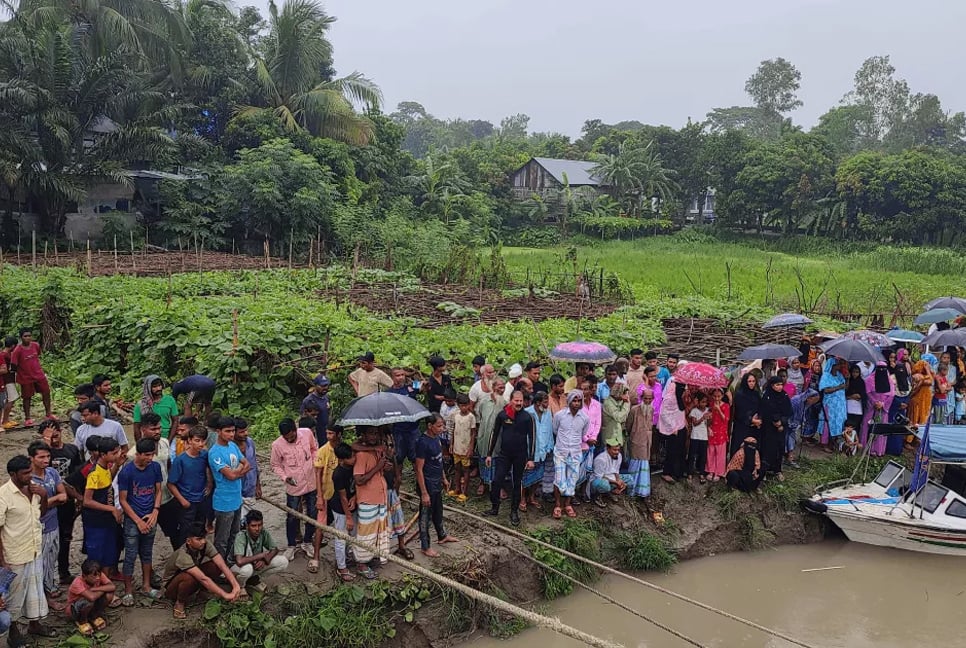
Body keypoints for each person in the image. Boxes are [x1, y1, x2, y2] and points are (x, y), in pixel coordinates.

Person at [0, 455, 54, 644]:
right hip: (14, 554)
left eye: (30, 471)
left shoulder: (34, 489)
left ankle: (35, 625)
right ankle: (13, 633)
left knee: (35, 591)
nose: (29, 475)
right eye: (25, 473)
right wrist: (3, 561)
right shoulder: (3, 495)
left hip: (34, 549)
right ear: (13, 474)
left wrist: (44, 494)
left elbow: (41, 514)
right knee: (14, 597)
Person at [117, 438, 163, 605]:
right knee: (130, 555)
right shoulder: (126, 472)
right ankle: (128, 591)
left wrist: (155, 511)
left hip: (150, 516)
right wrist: (138, 521)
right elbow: (123, 500)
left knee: (147, 553)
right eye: (147, 455)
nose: (150, 458)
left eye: (152, 455)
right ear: (138, 454)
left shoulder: (155, 468)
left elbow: (158, 491)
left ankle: (146, 586)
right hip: (132, 520)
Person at [163, 523, 241, 620]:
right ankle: (179, 602)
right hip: (172, 586)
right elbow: (203, 579)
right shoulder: (183, 555)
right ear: (188, 541)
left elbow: (222, 564)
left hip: (194, 575)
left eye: (204, 538)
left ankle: (203, 592)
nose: (203, 541)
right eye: (198, 539)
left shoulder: (205, 544)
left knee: (215, 566)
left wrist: (235, 585)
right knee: (188, 578)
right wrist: (225, 595)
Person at [270, 418, 318, 569]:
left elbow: (314, 449)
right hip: (293, 486)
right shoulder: (277, 445)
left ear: (295, 430)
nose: (289, 439)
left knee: (312, 513)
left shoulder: (307, 433)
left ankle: (307, 541)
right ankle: (291, 545)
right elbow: (275, 465)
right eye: (286, 438)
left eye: (292, 436)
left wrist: (314, 463)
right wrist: (285, 477)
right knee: (292, 516)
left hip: (311, 482)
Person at [484, 390, 535, 527]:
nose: (518, 403)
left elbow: (532, 437)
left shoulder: (527, 417)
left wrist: (531, 458)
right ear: (511, 400)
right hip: (504, 454)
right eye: (516, 400)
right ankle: (495, 507)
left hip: (520, 455)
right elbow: (494, 434)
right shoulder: (503, 415)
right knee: (496, 480)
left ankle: (514, 512)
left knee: (517, 483)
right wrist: (489, 454)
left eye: (521, 401)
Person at [26, 441, 67, 612]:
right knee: (39, 564)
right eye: (41, 457)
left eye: (48, 456)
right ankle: (44, 598)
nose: (46, 460)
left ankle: (48, 589)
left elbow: (63, 495)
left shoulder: (51, 473)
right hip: (38, 529)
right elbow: (33, 508)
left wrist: (47, 500)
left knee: (51, 561)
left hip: (53, 525)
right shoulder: (28, 480)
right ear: (32, 458)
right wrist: (54, 499)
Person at [40, 422, 81, 586]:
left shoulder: (72, 449)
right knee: (48, 539)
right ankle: (48, 576)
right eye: (49, 433)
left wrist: (79, 496)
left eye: (55, 432)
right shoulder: (43, 454)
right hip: (49, 501)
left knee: (65, 537)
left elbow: (78, 473)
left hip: (68, 500)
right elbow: (39, 468)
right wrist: (46, 442)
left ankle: (63, 572)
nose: (53, 435)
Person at [415, 414, 458, 557]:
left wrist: (444, 478)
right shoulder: (423, 442)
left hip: (436, 483)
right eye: (439, 426)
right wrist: (424, 492)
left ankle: (442, 536)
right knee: (425, 516)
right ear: (429, 426)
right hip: (427, 484)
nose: (442, 429)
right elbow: (419, 469)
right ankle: (425, 546)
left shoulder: (436, 438)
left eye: (442, 425)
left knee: (438, 511)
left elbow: (438, 462)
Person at [208, 416, 250, 559]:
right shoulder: (214, 452)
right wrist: (239, 470)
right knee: (221, 540)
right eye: (227, 431)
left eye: (233, 431)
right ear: (218, 431)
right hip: (223, 502)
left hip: (236, 499)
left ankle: (230, 562)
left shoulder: (232, 446)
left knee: (235, 534)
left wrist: (236, 471)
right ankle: (219, 568)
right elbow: (231, 475)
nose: (231, 434)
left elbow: (247, 465)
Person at [352, 427, 390, 579]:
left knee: (377, 530)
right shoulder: (362, 454)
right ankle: (361, 563)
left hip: (380, 496)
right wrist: (378, 468)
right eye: (370, 433)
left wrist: (384, 467)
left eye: (376, 433)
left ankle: (371, 557)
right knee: (366, 533)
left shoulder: (378, 451)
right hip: (368, 499)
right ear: (364, 435)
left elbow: (380, 470)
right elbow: (359, 479)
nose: (374, 436)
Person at [83, 438, 123, 578]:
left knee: (108, 554)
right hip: (96, 521)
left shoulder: (105, 467)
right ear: (103, 454)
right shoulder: (94, 473)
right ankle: (94, 584)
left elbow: (107, 481)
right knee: (96, 555)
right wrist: (111, 508)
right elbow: (87, 501)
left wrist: (116, 466)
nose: (117, 455)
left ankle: (105, 583)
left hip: (107, 520)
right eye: (114, 453)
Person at [168, 427, 212, 549]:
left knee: (200, 529)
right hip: (187, 502)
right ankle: (183, 560)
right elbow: (171, 484)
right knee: (185, 531)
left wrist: (209, 485)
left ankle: (198, 557)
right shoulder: (180, 460)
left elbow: (210, 470)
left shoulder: (204, 455)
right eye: (197, 440)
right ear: (189, 441)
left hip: (202, 499)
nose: (201, 444)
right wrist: (182, 500)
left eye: (203, 441)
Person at [552, 391, 589, 519]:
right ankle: (557, 505)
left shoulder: (584, 418)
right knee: (559, 479)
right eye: (574, 400)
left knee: (572, 480)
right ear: (569, 401)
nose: (576, 403)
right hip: (561, 452)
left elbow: (583, 433)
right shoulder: (560, 415)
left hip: (575, 452)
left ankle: (567, 505)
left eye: (579, 401)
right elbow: (555, 430)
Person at [230, 509, 287, 591]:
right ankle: (240, 586)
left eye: (260, 525)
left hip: (254, 565)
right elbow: (239, 561)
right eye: (253, 526)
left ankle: (254, 580)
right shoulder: (241, 536)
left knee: (283, 561)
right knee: (247, 569)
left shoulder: (263, 532)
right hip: (237, 567)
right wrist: (259, 556)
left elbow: (274, 549)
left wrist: (264, 560)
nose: (257, 529)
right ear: (247, 526)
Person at [312, 422, 341, 570]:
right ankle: (316, 556)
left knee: (341, 526)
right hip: (326, 491)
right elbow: (317, 473)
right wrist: (319, 496)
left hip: (341, 493)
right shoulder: (323, 450)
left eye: (331, 433)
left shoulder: (343, 449)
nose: (328, 436)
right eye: (327, 433)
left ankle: (342, 557)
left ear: (339, 435)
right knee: (320, 525)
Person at [10, 328, 53, 426]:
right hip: (26, 377)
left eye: (29, 335)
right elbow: (13, 365)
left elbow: (37, 355)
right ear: (21, 338)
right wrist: (22, 372)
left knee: (46, 392)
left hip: (39, 374)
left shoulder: (35, 345)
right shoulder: (17, 350)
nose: (28, 338)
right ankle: (28, 418)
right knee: (27, 397)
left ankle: (48, 414)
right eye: (25, 336)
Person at [328, 443, 356, 582]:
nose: (354, 458)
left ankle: (347, 558)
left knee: (350, 534)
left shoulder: (353, 467)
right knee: (341, 536)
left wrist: (355, 498)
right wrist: (349, 517)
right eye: (351, 457)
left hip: (351, 503)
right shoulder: (338, 474)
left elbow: (356, 485)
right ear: (343, 459)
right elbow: (343, 497)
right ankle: (341, 567)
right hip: (340, 508)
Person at [474, 378, 506, 497]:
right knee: (482, 459)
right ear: (493, 387)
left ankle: (499, 486)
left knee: (497, 461)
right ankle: (483, 482)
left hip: (498, 438)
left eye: (503, 387)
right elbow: (481, 414)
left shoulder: (505, 403)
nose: (501, 390)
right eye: (499, 387)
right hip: (484, 436)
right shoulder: (484, 401)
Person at [66, 559, 115, 637]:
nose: (98, 578)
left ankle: (93, 616)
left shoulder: (98, 574)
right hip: (75, 609)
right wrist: (103, 589)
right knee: (89, 601)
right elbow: (91, 597)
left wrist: (94, 589)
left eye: (99, 575)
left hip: (91, 603)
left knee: (109, 594)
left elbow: (112, 586)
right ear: (84, 576)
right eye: (94, 576)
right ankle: (82, 621)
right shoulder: (77, 583)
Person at [524, 392, 553, 508]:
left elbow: (550, 430)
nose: (547, 404)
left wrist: (549, 446)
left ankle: (531, 497)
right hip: (530, 451)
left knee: (538, 476)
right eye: (545, 402)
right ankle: (522, 499)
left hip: (543, 451)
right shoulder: (527, 413)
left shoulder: (548, 413)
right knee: (525, 476)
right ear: (537, 403)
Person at [759, 377, 792, 480]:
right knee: (767, 449)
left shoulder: (785, 396)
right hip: (768, 428)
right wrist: (774, 421)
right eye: (777, 385)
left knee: (779, 448)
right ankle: (764, 471)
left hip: (781, 428)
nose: (780, 387)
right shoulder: (767, 396)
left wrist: (781, 422)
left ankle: (777, 470)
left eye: (781, 385)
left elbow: (788, 412)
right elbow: (764, 411)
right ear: (772, 385)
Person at [623, 385, 653, 497]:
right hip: (635, 440)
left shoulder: (651, 409)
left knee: (644, 464)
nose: (648, 401)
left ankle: (642, 491)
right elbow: (628, 425)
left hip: (646, 441)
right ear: (642, 398)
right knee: (635, 464)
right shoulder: (634, 410)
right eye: (646, 398)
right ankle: (631, 491)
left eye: (650, 399)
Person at [657, 377, 688, 483]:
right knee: (672, 451)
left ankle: (678, 472)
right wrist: (673, 427)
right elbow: (664, 413)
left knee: (681, 450)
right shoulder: (670, 398)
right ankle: (667, 473)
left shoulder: (680, 397)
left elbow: (680, 410)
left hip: (681, 426)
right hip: (673, 429)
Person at [447, 394, 477, 502]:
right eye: (461, 406)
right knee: (457, 468)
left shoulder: (471, 417)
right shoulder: (455, 415)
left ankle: (465, 492)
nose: (464, 408)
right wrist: (451, 444)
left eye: (466, 405)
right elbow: (453, 431)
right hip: (456, 447)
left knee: (466, 469)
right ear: (458, 405)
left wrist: (471, 448)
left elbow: (473, 434)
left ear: (469, 405)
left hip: (465, 448)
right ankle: (457, 488)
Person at [133, 375, 179, 441]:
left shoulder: (170, 400)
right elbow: (137, 427)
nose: (158, 388)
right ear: (148, 388)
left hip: (167, 437)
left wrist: (169, 440)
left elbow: (175, 421)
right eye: (154, 387)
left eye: (159, 385)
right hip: (149, 439)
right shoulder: (141, 405)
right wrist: (140, 444)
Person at [818, 358, 849, 452]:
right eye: (837, 365)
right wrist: (838, 387)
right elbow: (826, 390)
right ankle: (824, 444)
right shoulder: (826, 376)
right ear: (832, 366)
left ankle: (834, 443)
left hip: (839, 405)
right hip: (830, 404)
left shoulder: (839, 375)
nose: (839, 366)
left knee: (838, 423)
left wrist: (847, 379)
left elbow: (845, 388)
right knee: (828, 423)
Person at [233, 418, 260, 516]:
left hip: (250, 488)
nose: (246, 433)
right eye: (242, 432)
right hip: (236, 489)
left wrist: (258, 486)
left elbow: (255, 465)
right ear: (234, 432)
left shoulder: (250, 443)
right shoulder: (230, 447)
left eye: (246, 430)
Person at [730, 374, 762, 457]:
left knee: (751, 447)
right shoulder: (740, 395)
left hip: (754, 427)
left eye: (753, 381)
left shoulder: (756, 394)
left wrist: (758, 419)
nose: (752, 383)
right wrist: (751, 419)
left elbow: (760, 407)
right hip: (742, 426)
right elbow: (739, 411)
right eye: (749, 381)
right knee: (740, 447)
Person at [300, 375, 331, 446]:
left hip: (325, 431)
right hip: (315, 433)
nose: (325, 388)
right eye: (322, 386)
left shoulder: (326, 397)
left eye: (326, 385)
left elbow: (328, 412)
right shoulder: (308, 400)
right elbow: (303, 420)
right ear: (315, 386)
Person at [687, 392, 711, 483]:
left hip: (704, 437)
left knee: (703, 456)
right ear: (698, 402)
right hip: (695, 436)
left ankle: (701, 473)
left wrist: (709, 419)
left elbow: (709, 424)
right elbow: (694, 423)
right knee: (692, 455)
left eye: (705, 402)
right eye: (702, 402)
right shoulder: (694, 411)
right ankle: (690, 472)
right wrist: (702, 418)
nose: (704, 404)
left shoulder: (708, 410)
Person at [707, 389, 730, 481]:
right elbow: (708, 419)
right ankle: (710, 470)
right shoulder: (711, 405)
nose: (716, 398)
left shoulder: (726, 406)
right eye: (715, 396)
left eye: (719, 396)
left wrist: (719, 410)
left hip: (721, 431)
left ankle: (718, 472)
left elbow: (726, 419)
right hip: (712, 430)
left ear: (722, 396)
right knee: (711, 451)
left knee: (720, 452)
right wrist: (708, 428)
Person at [600, 383, 629, 448]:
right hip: (610, 437)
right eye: (624, 394)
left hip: (618, 436)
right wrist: (626, 403)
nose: (626, 396)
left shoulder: (620, 401)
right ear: (619, 393)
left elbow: (624, 417)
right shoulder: (608, 403)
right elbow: (619, 417)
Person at [0, 336, 19, 429]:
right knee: (11, 399)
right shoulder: (4, 355)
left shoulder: (7, 354)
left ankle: (6, 419)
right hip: (7, 381)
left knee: (11, 399)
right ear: (13, 346)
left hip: (9, 380)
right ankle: (5, 421)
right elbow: (6, 369)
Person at [844, 364, 867, 431]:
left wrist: (859, 396)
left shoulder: (861, 382)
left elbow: (863, 395)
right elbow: (844, 393)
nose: (855, 374)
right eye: (853, 372)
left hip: (858, 408)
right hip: (848, 407)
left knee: (856, 426)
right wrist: (851, 396)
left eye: (857, 372)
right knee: (848, 425)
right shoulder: (848, 381)